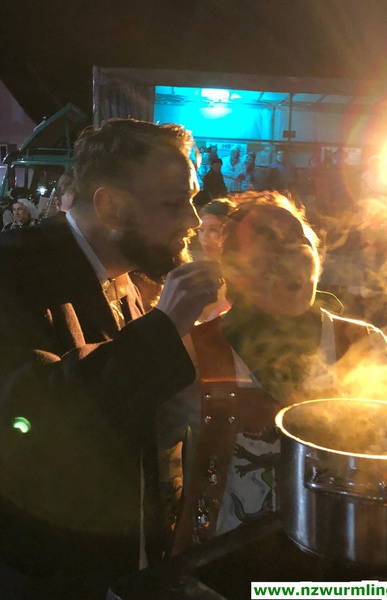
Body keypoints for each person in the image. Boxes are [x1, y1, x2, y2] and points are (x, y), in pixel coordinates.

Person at [0, 118, 223, 600]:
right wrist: (164, 328)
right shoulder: (13, 269)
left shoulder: (125, 278)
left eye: (191, 199)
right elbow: (31, 414)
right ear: (111, 207)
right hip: (45, 575)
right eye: (173, 203)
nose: (192, 221)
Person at [157, 191, 387, 555]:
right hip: (220, 559)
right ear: (234, 269)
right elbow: (156, 460)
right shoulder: (196, 350)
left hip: (337, 552)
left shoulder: (359, 343)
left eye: (299, 240)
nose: (291, 253)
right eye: (269, 242)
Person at [196, 199, 235, 322]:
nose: (204, 237)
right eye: (201, 230)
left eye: (213, 230)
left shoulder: (244, 276)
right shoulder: (196, 273)